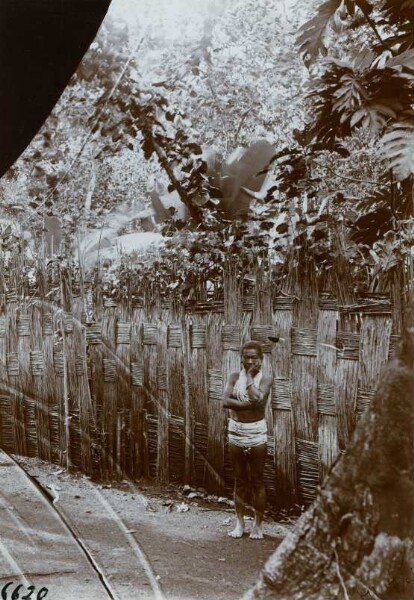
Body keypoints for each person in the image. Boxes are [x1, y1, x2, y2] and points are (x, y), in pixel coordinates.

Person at [223, 341, 272, 539]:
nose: (250, 360)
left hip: (256, 433)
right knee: (240, 479)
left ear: (261, 359)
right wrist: (248, 405)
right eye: (246, 357)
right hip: (235, 432)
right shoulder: (234, 377)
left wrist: (250, 379)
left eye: (254, 357)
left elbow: (259, 400)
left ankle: (258, 526)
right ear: (241, 358)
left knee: (257, 480)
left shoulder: (266, 379)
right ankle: (239, 523)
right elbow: (225, 401)